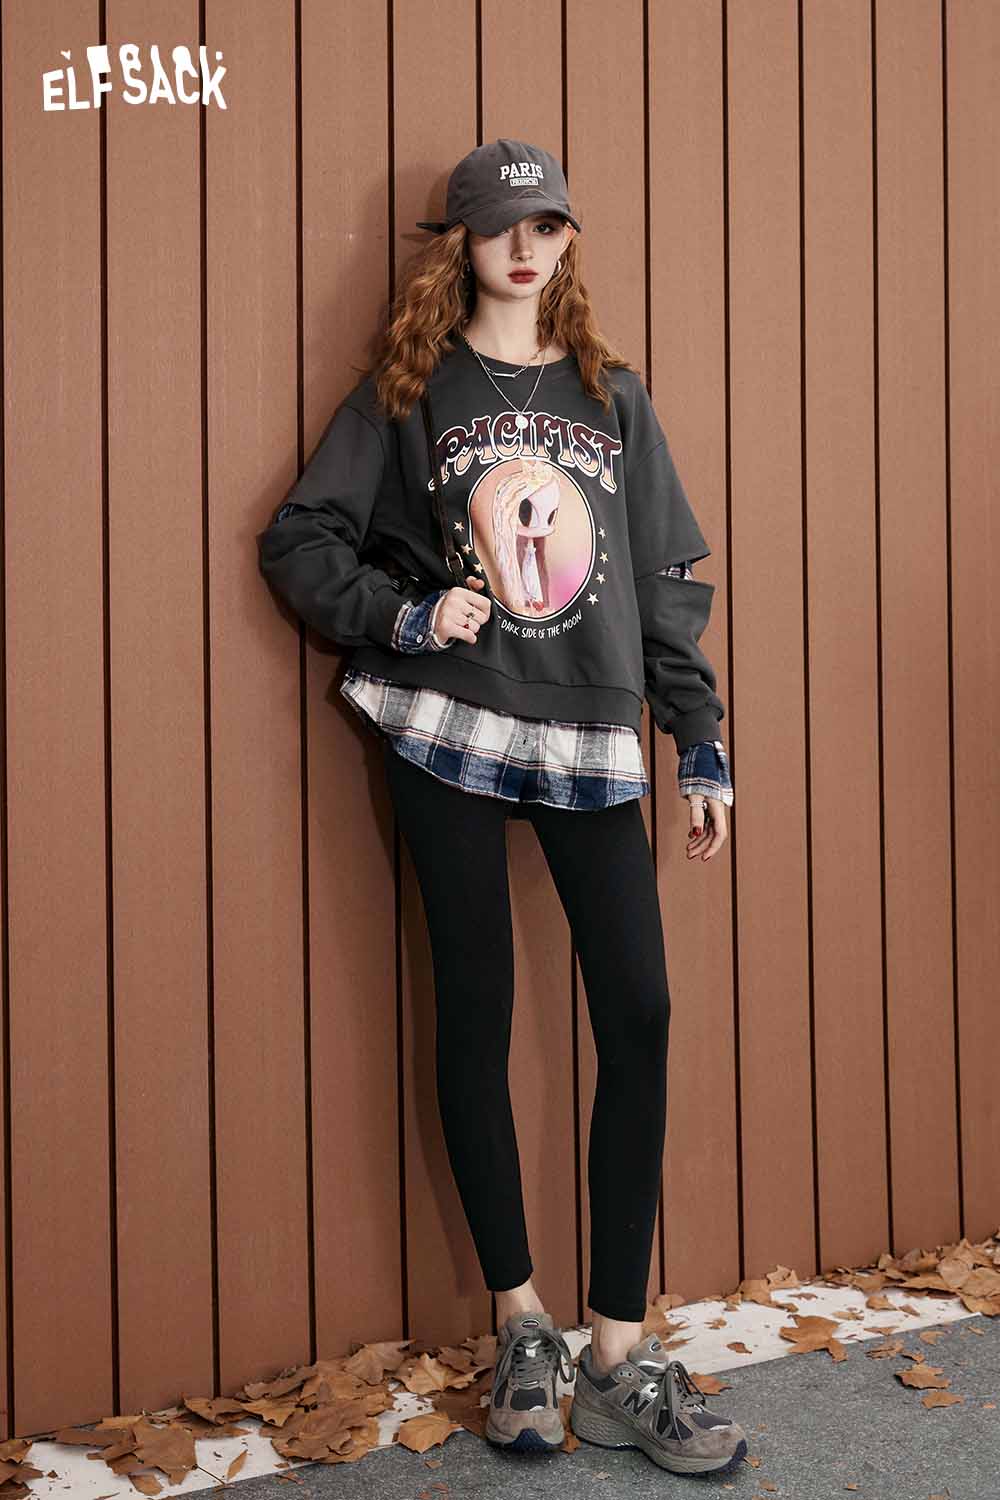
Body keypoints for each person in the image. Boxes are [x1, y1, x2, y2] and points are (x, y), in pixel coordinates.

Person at [257, 139, 745, 1476]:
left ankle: (619, 1349)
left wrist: (698, 740)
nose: (525, 248)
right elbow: (301, 538)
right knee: (476, 1006)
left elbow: (665, 587)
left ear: (568, 238)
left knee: (638, 1010)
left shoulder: (611, 395)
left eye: (547, 225)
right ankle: (521, 1322)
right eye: (499, 226)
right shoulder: (410, 390)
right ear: (461, 243)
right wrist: (406, 614)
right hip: (450, 725)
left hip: (589, 728)